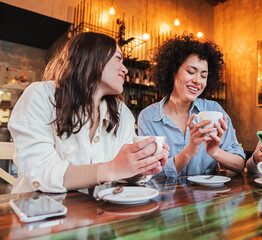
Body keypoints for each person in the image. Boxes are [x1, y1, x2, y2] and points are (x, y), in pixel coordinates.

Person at [8, 32, 169, 193]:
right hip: (37, 212)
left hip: (97, 213)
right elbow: (42, 171)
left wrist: (139, 168)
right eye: (118, 59)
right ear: (92, 56)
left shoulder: (122, 113)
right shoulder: (41, 96)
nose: (125, 70)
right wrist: (111, 169)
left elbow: (121, 172)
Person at [138, 34, 245, 178]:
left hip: (208, 198)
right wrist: (189, 151)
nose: (197, 81)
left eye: (203, 75)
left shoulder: (214, 111)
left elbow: (239, 165)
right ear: (173, 72)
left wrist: (214, 152)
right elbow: (148, 173)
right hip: (165, 199)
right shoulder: (149, 117)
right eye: (191, 72)